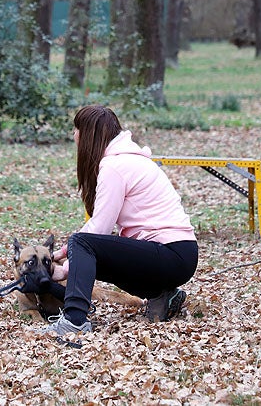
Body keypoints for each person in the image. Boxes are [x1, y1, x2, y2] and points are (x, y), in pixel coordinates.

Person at [44, 104, 198, 336]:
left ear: (88, 134)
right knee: (87, 251)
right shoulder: (128, 159)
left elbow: (98, 230)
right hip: (181, 254)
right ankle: (163, 296)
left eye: (76, 128)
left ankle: (74, 320)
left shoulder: (114, 166)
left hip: (171, 252)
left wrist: (65, 267)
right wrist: (65, 254)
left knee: (81, 243)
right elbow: (97, 233)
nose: (73, 134)